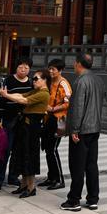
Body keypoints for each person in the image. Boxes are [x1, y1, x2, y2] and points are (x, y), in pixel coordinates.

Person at [60, 53, 104, 212]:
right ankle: (93, 199)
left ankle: (74, 200)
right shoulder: (98, 80)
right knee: (91, 164)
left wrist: (75, 129)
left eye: (74, 63)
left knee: (77, 165)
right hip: (95, 127)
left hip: (82, 130)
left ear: (78, 63)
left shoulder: (80, 81)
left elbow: (78, 107)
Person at [0, 69, 50, 199]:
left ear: (45, 80)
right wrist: (7, 94)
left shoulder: (44, 94)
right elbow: (21, 96)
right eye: (33, 78)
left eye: (36, 79)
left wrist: (6, 95)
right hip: (26, 126)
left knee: (30, 156)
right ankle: (23, 185)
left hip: (33, 128)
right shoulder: (36, 91)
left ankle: (31, 187)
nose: (33, 81)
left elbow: (24, 101)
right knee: (22, 154)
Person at [0, 60, 33, 191]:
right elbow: (1, 101)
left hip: (24, 122)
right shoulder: (8, 81)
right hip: (9, 121)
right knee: (5, 150)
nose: (23, 70)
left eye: (26, 67)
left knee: (18, 151)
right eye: (20, 67)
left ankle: (13, 178)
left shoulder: (31, 82)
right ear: (16, 68)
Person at [40, 59, 72, 190]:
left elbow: (68, 102)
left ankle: (59, 180)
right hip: (48, 118)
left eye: (53, 69)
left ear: (60, 70)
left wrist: (53, 109)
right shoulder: (49, 81)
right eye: (50, 69)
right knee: (48, 149)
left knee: (52, 149)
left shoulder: (63, 83)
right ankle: (51, 177)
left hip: (58, 119)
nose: (51, 71)